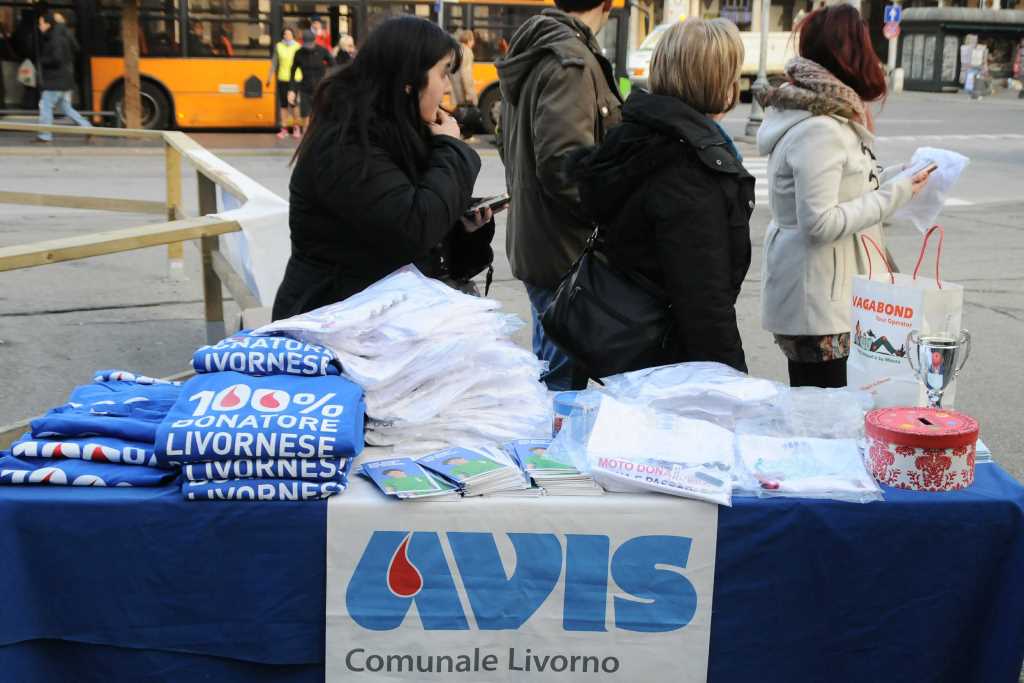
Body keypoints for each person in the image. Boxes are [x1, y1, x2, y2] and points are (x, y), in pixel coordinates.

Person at [272, 16, 494, 320]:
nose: (446, 88)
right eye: (443, 73)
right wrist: (452, 149)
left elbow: (412, 230)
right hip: (333, 323)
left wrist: (460, 227)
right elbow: (413, 228)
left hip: (381, 315)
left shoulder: (399, 132)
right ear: (408, 81)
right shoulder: (345, 144)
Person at [756, 4, 929, 388]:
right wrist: (896, 193)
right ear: (851, 53)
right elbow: (820, 223)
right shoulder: (820, 128)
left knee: (825, 409)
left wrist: (901, 177)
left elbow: (849, 187)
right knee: (825, 413)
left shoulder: (829, 116)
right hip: (819, 305)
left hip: (826, 297)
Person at [567, 19, 753, 373]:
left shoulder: (640, 135)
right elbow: (704, 304)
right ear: (718, 81)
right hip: (668, 364)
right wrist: (733, 381)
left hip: (630, 349)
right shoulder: (688, 166)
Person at [497, 0, 624, 391]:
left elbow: (512, 146)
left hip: (542, 246)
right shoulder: (571, 62)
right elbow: (563, 166)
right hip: (563, 254)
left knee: (550, 372)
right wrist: (608, 215)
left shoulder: (539, 50)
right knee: (560, 388)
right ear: (606, 4)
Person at [34, 13, 92, 143]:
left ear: (48, 24)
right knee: (66, 108)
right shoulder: (64, 35)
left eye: (41, 23)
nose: (39, 26)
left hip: (55, 81)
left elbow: (57, 59)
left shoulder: (55, 38)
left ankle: (44, 135)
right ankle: (88, 128)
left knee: (45, 106)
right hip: (65, 79)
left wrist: (42, 61)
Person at [289, 29, 334, 137]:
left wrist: (328, 79)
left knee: (320, 115)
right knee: (305, 116)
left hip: (321, 88)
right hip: (305, 88)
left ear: (315, 41)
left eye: (310, 44)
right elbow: (292, 72)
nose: (309, 47)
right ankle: (306, 137)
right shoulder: (299, 53)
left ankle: (320, 137)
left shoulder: (322, 51)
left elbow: (333, 65)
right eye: (306, 45)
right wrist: (292, 90)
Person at [267, 27, 302, 140]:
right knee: (283, 105)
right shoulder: (278, 46)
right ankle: (284, 129)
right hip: (282, 78)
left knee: (294, 104)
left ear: (293, 35)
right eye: (285, 34)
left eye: (290, 34)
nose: (288, 36)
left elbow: (302, 63)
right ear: (283, 35)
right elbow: (274, 63)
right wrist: (269, 77)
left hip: (295, 79)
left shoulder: (298, 46)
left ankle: (296, 127)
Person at [450, 30, 476, 108]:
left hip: (457, 92)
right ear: (469, 40)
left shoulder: (457, 50)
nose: (474, 43)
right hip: (463, 94)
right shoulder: (467, 52)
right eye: (473, 40)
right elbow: (466, 74)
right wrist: (470, 94)